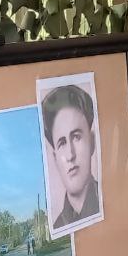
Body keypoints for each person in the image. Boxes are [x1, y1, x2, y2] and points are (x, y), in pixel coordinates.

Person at [42, 84, 101, 231]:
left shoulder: (113, 201)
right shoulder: (58, 228)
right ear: (55, 158)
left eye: (76, 137)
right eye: (62, 143)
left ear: (92, 142)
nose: (70, 155)